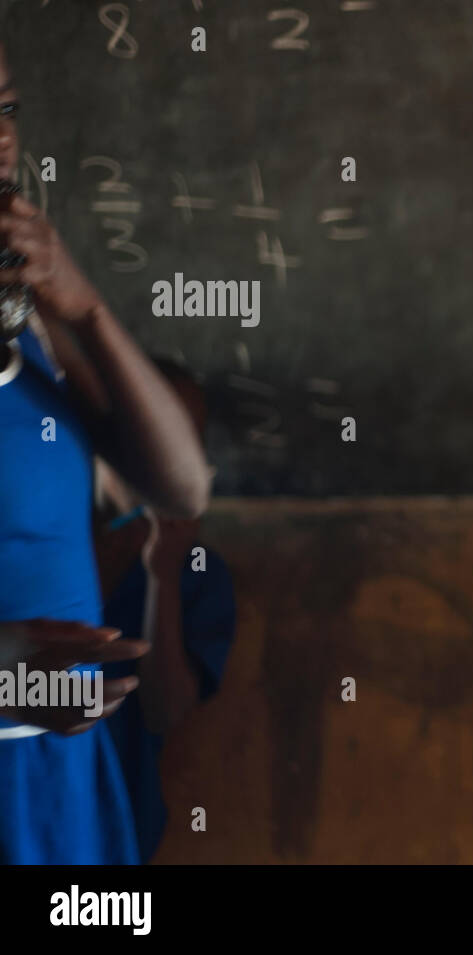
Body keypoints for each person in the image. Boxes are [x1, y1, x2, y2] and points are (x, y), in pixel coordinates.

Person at [0, 41, 210, 864]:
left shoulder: (32, 326)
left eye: (8, 110)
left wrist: (80, 305)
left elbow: (181, 486)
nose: (1, 142)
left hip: (60, 786)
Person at [93, 357, 236, 863]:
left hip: (117, 826)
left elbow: (167, 711)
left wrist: (163, 576)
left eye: (187, 440)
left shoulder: (198, 574)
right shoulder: (51, 540)